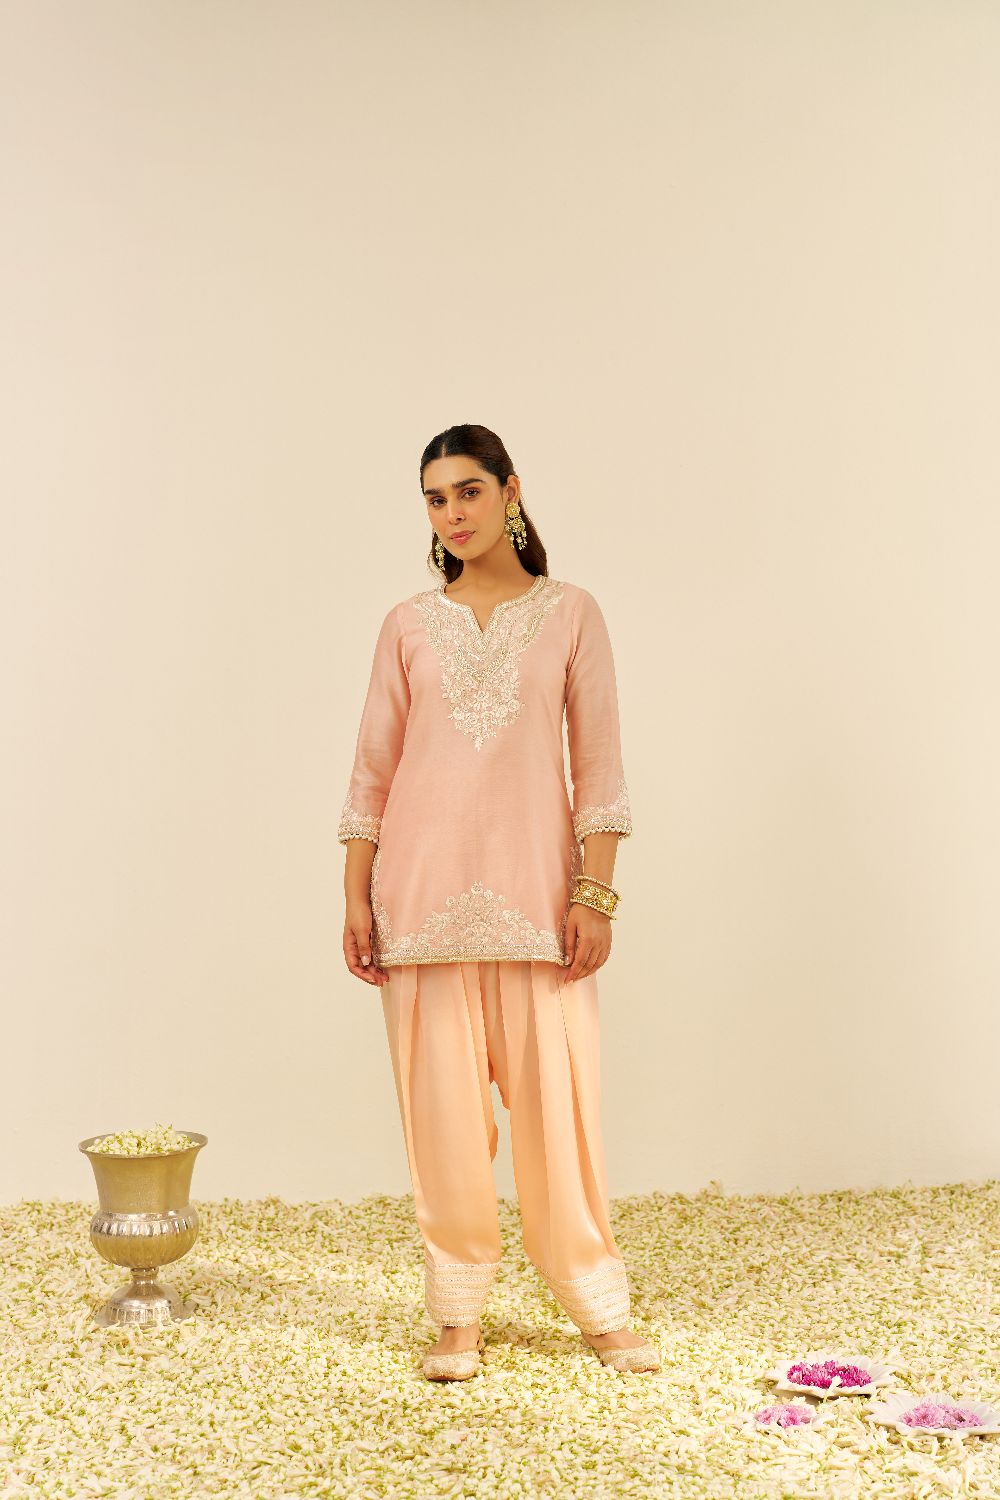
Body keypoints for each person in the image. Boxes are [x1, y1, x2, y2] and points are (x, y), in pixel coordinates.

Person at [338, 423, 660, 1380]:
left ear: (510, 491)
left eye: (469, 492)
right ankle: (457, 1317)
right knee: (442, 1127)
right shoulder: (407, 624)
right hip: (419, 903)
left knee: (562, 1118)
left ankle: (596, 1304)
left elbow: (599, 766)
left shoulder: (570, 614)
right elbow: (371, 771)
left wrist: (595, 894)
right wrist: (355, 897)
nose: (453, 514)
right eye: (436, 499)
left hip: (537, 904)